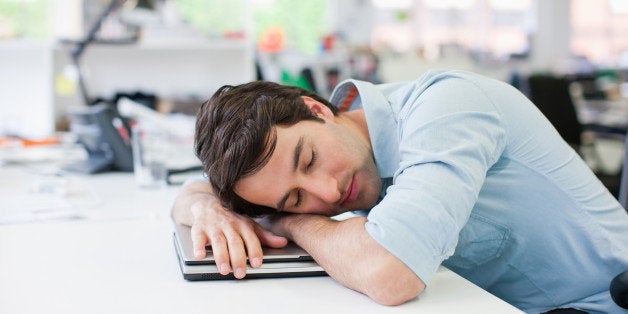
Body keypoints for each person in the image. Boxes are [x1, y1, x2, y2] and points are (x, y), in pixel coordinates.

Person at [171, 69, 628, 313]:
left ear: (317, 109)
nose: (327, 194)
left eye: (308, 160)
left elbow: (391, 274)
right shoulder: (343, 151)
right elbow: (189, 192)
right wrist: (207, 208)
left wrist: (288, 219)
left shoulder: (446, 107)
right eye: (295, 197)